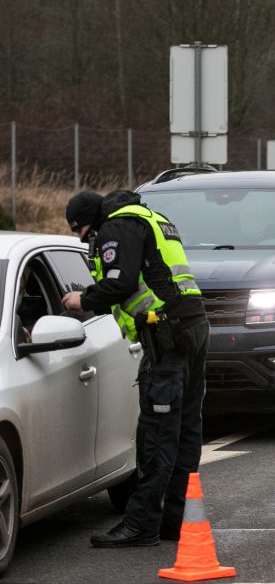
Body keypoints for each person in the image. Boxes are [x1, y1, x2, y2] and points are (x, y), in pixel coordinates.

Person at [61, 190, 209, 547]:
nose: (84, 239)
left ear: (89, 221)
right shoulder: (151, 219)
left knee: (157, 435)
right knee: (185, 430)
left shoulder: (118, 227)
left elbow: (121, 282)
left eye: (81, 231)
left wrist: (84, 300)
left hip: (166, 336)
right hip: (192, 328)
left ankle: (141, 525)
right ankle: (176, 522)